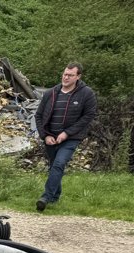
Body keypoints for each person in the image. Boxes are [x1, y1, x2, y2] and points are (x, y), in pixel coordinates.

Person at [34, 63, 98, 211]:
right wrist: (45, 136)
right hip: (50, 137)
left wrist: (67, 133)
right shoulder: (51, 93)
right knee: (54, 166)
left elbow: (88, 116)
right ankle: (55, 196)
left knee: (59, 164)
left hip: (71, 138)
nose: (66, 77)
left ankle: (46, 197)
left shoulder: (86, 94)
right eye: (64, 74)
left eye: (70, 75)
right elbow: (38, 115)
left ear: (78, 77)